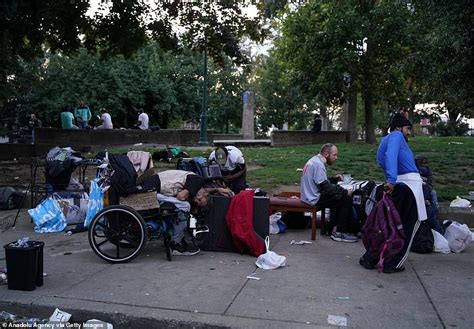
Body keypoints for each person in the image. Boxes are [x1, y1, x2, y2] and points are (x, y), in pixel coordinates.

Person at [360, 112, 427, 273]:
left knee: (388, 225)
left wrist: (391, 179)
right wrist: (391, 179)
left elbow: (381, 159)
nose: (409, 132)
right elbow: (390, 156)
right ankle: (394, 263)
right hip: (410, 187)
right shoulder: (397, 136)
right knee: (409, 227)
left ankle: (370, 257)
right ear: (398, 128)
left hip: (398, 185)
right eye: (407, 128)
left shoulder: (385, 140)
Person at [156, 170, 232, 255]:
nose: (196, 200)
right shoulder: (197, 181)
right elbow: (181, 196)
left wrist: (217, 189)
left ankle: (176, 238)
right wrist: (186, 197)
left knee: (182, 208)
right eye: (199, 200)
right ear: (205, 194)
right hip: (155, 191)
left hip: (158, 187)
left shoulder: (199, 187)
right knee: (185, 206)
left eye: (197, 202)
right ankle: (175, 243)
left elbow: (203, 191)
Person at [300, 143, 358, 243]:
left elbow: (319, 181)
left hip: (308, 196)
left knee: (338, 196)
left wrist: (333, 179)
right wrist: (345, 191)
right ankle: (339, 232)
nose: (336, 158)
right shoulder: (318, 165)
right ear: (326, 154)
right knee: (345, 198)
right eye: (334, 155)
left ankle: (333, 228)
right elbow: (325, 188)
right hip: (313, 199)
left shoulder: (314, 160)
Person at [415, 155, 442, 233]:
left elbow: (429, 185)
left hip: (425, 198)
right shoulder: (413, 170)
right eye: (422, 163)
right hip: (420, 201)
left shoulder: (426, 170)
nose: (424, 164)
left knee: (433, 195)